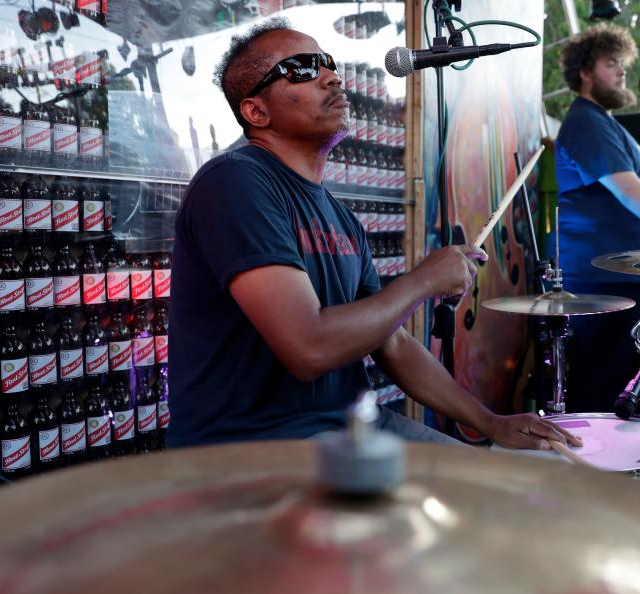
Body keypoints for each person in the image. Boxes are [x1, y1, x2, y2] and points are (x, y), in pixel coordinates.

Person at [167, 18, 580, 451]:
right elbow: (308, 347)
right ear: (256, 111)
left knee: (513, 482)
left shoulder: (340, 217)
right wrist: (423, 282)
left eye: (327, 63)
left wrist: (490, 423)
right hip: (257, 447)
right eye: (303, 68)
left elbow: (393, 344)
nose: (330, 76)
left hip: (350, 429)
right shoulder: (235, 183)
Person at [553, 23, 640, 413]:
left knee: (624, 398)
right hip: (605, 286)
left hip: (626, 280)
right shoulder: (586, 121)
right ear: (585, 72)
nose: (621, 71)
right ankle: (594, 474)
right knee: (602, 399)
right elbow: (628, 188)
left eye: (623, 64)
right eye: (611, 63)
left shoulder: (603, 123)